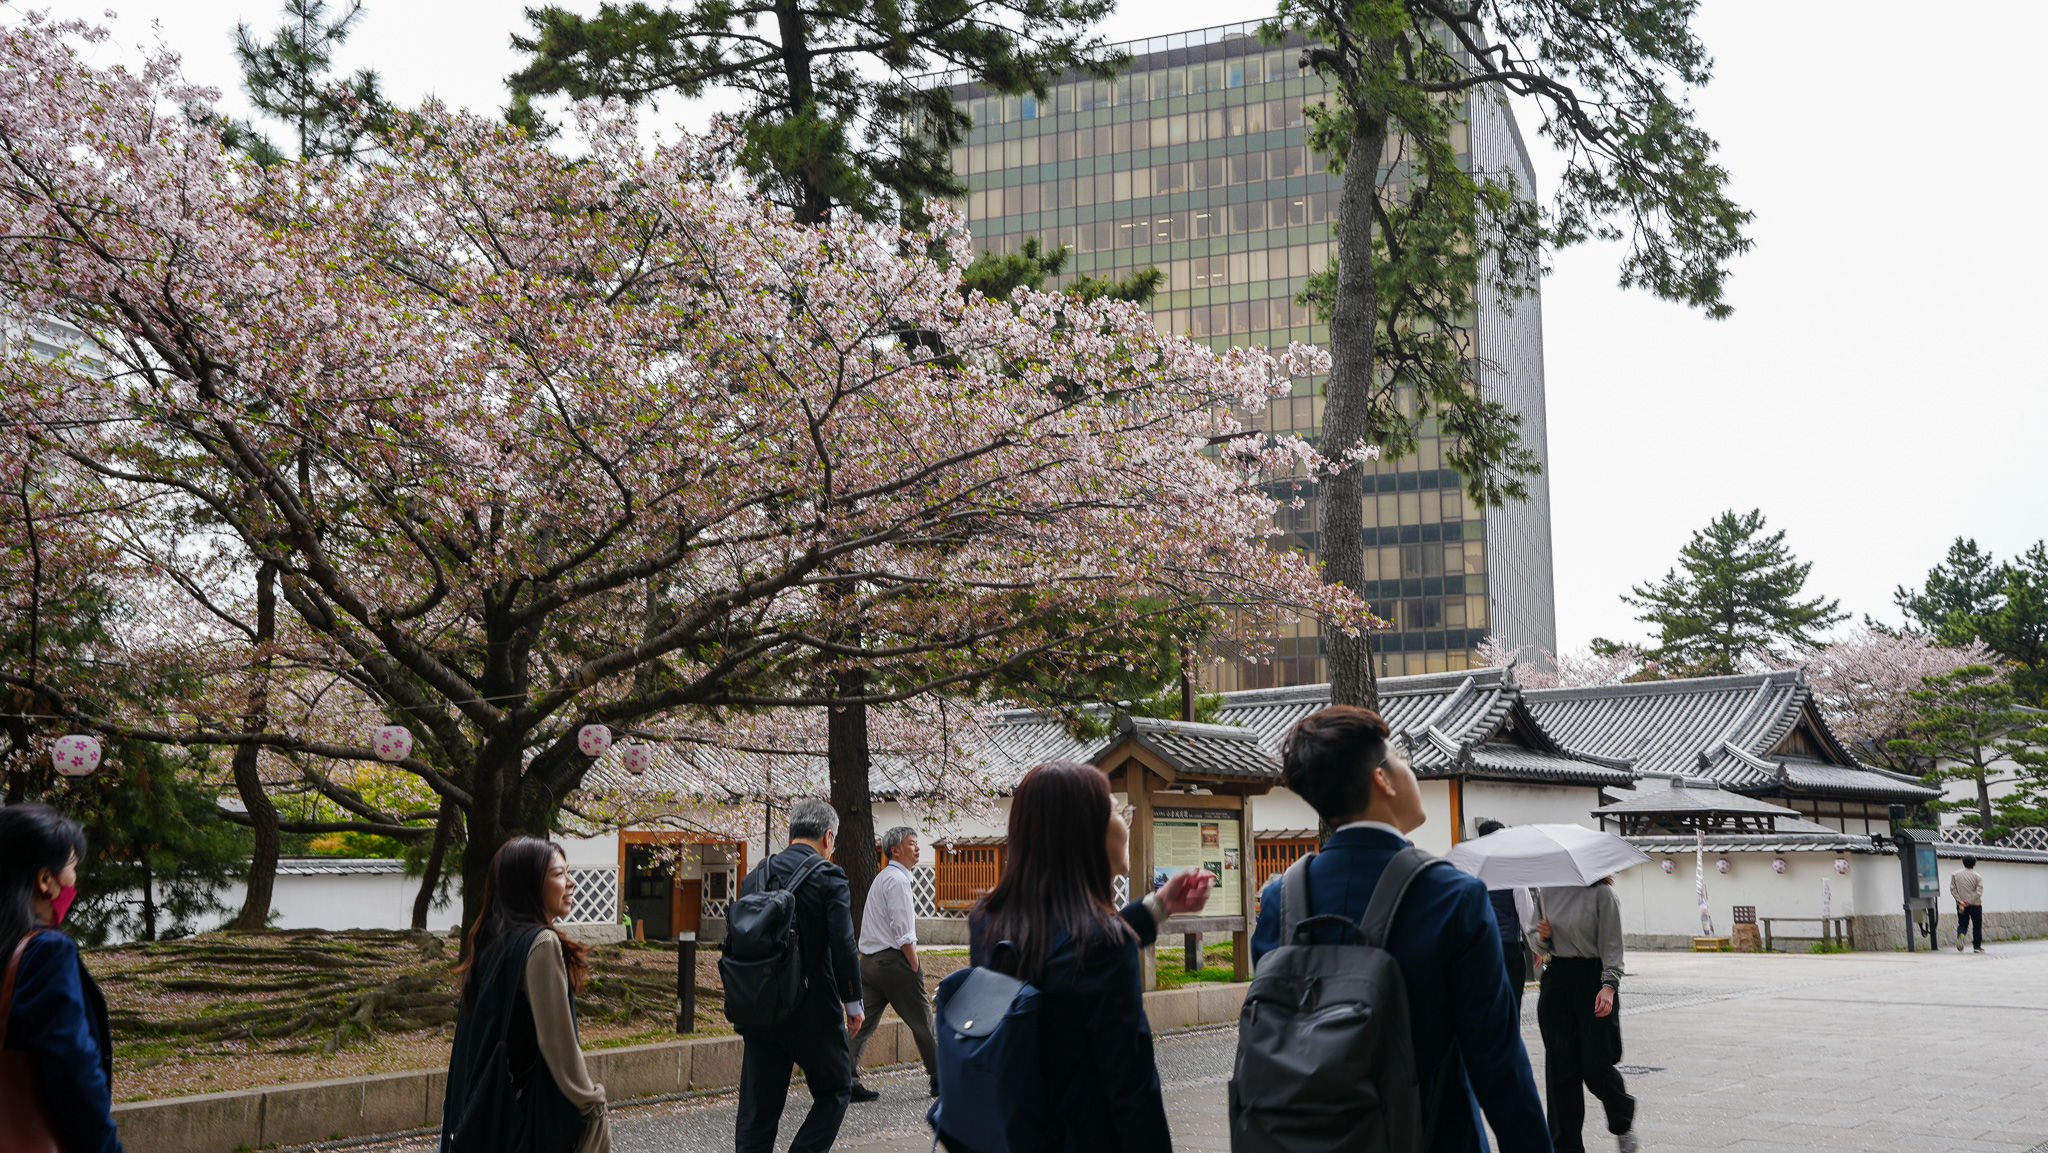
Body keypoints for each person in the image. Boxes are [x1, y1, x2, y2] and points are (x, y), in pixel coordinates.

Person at [1248, 707, 1550, 1153]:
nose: (1410, 769)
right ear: (1382, 780)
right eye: (1402, 759)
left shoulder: (1282, 900)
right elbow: (1498, 1064)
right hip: (1432, 1135)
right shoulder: (1453, 896)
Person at [967, 760, 1212, 1153]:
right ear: (1083, 831)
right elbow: (1131, 1087)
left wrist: (1158, 906)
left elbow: (1059, 954)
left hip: (1011, 1135)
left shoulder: (988, 918)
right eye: (1116, 810)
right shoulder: (1102, 942)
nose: (1125, 821)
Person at [441, 837, 610, 1153]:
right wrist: (592, 1103)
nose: (571, 882)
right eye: (559, 874)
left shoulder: (490, 941)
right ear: (529, 884)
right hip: (525, 1123)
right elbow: (557, 1043)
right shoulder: (541, 943)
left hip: (482, 1120)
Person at [734, 798, 864, 1153]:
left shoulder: (755, 877)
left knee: (757, 1113)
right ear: (827, 837)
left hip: (759, 1008)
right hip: (812, 1012)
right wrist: (852, 1001)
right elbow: (843, 943)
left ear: (790, 834)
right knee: (836, 1090)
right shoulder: (829, 876)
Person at [0, 803, 122, 1153]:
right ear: (45, 881)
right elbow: (72, 1069)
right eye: (72, 868)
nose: (75, 880)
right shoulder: (46, 952)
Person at [1534, 876, 1635, 1153]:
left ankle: (1622, 1119)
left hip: (1593, 979)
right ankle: (1564, 1148)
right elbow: (1537, 944)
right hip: (1556, 980)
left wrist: (1609, 985)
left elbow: (1612, 945)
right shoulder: (1548, 890)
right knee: (1561, 1073)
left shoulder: (1603, 895)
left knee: (1596, 1066)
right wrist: (1542, 936)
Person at [849, 826, 937, 1101]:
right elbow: (903, 929)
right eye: (912, 843)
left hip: (869, 963)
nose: (918, 847)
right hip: (894, 962)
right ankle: (942, 1080)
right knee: (924, 1021)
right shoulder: (898, 881)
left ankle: (843, 1081)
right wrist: (914, 964)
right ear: (895, 850)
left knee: (860, 1025)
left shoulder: (882, 878)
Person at [1474, 818, 1539, 1017]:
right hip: (1507, 946)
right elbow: (1526, 915)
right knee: (1510, 1006)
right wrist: (1537, 947)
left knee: (1484, 1005)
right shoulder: (1512, 871)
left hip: (1478, 948)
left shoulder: (1471, 870)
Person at [1952, 855, 1984, 953]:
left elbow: (1953, 889)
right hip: (1975, 905)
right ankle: (1977, 947)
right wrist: (1969, 901)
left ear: (1962, 862)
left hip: (1961, 904)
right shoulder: (1978, 877)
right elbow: (1979, 892)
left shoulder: (1955, 874)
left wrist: (1960, 900)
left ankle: (1961, 934)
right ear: (1974, 864)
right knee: (1977, 925)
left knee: (1962, 923)